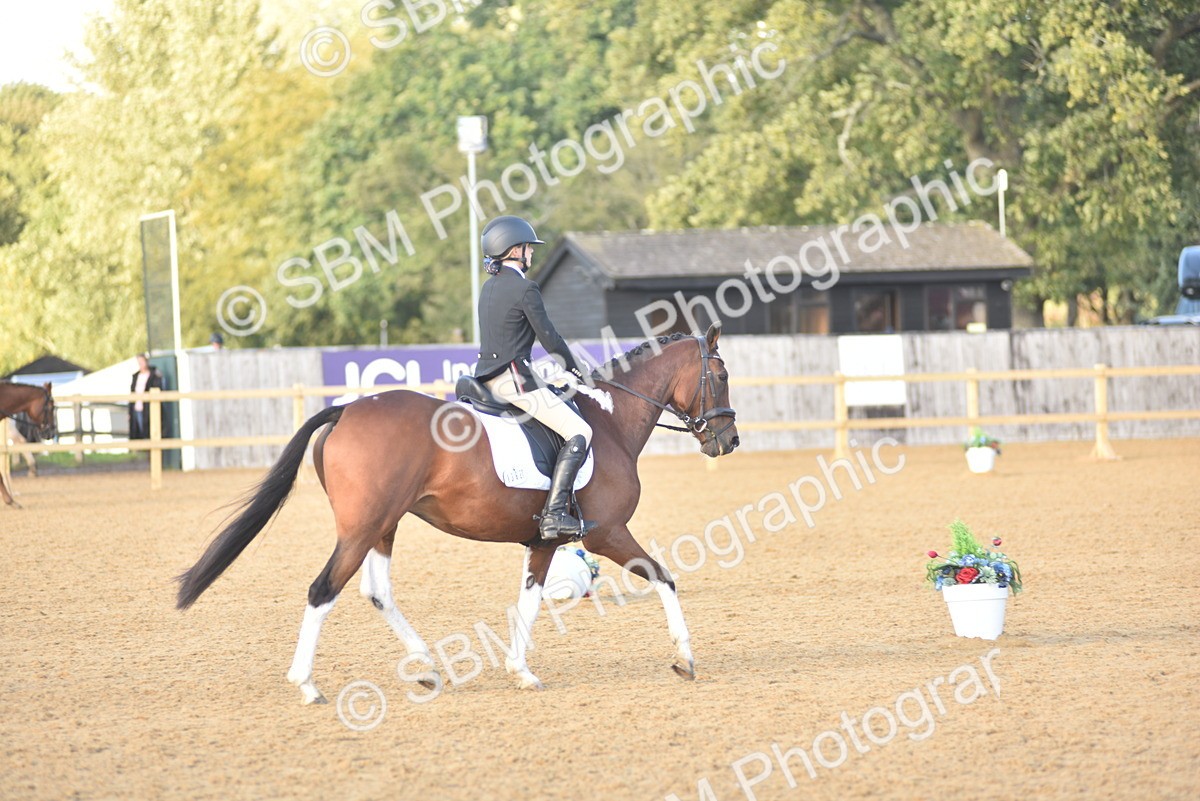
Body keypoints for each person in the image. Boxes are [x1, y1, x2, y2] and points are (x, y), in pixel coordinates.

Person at [474, 215, 594, 540]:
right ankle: (555, 515)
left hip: (484, 378)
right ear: (515, 250)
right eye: (528, 248)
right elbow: (551, 339)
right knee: (579, 430)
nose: (531, 254)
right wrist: (576, 372)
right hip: (514, 380)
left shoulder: (489, 287)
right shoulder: (526, 288)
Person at [129, 353, 164, 439]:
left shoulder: (154, 375)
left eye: (142, 362)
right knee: (139, 432)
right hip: (137, 408)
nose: (141, 364)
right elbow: (132, 393)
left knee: (149, 432)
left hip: (149, 409)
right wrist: (130, 411)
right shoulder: (136, 376)